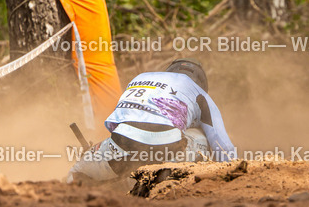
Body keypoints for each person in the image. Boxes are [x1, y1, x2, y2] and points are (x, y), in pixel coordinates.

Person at [67, 58, 236, 183]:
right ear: (201, 83)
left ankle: (65, 190)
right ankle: (175, 180)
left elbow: (121, 121)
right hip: (169, 150)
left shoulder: (139, 79)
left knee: (76, 173)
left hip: (121, 144)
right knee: (202, 133)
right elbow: (222, 144)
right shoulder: (199, 93)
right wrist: (231, 175)